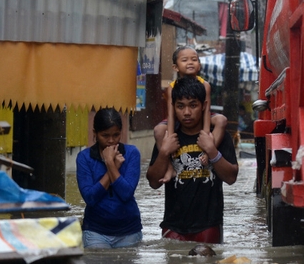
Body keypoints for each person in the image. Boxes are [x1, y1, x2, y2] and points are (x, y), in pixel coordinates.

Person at [147, 76, 239, 243]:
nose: (187, 112)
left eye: (193, 105)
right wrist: (164, 153)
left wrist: (212, 151)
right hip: (173, 226)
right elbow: (154, 183)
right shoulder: (168, 137)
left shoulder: (218, 137)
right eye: (180, 106)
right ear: (173, 107)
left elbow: (231, 178)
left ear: (203, 106)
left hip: (208, 225)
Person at [155, 45, 227, 183]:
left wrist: (206, 140)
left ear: (199, 65)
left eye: (194, 59)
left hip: (201, 115)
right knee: (158, 130)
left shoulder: (205, 85)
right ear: (175, 67)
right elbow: (171, 114)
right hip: (177, 118)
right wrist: (170, 139)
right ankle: (169, 166)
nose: (190, 63)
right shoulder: (171, 89)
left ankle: (211, 152)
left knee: (221, 120)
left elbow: (206, 111)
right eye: (184, 60)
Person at [76, 108, 143, 248]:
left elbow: (126, 194)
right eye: (105, 135)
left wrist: (111, 165)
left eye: (116, 135)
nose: (111, 141)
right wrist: (111, 166)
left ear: (121, 132)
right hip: (95, 232)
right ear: (95, 134)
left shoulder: (132, 154)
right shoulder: (84, 158)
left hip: (129, 231)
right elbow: (90, 198)